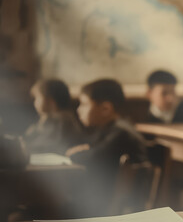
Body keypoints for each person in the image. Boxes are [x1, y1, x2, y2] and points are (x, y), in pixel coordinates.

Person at [66, 79, 148, 217]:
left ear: (105, 109)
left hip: (117, 206)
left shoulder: (121, 133)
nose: (79, 109)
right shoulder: (111, 129)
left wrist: (76, 153)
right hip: (111, 199)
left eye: (84, 104)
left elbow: (92, 158)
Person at [24, 79, 82, 154]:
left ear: (50, 101)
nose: (35, 102)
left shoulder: (60, 119)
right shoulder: (52, 117)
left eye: (37, 98)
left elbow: (48, 144)